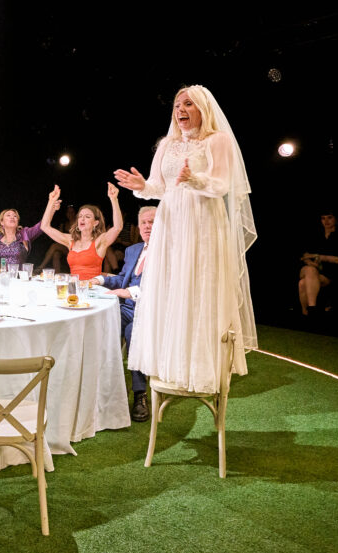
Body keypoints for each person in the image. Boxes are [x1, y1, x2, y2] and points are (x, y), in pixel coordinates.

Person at [115, 85, 257, 394]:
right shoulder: (167, 144)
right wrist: (142, 186)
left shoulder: (217, 140)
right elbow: (158, 186)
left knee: (198, 287)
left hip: (202, 222)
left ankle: (200, 367)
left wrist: (195, 179)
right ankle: (168, 363)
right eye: (178, 105)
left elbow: (222, 185)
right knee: (170, 287)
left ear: (203, 109)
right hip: (170, 223)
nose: (181, 109)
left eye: (189, 104)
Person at [91, 205, 157, 421]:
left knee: (132, 332)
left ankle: (140, 394)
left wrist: (128, 292)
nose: (147, 226)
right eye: (143, 222)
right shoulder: (133, 250)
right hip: (126, 308)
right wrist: (100, 279)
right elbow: (122, 279)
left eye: (152, 222)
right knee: (98, 323)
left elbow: (165, 288)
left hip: (151, 312)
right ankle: (100, 389)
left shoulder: (170, 252)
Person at [37, 183, 123, 280]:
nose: (82, 219)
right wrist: (51, 201)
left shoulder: (100, 241)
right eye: (80, 216)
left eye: (87, 217)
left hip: (93, 287)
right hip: (74, 286)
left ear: (95, 223)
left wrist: (114, 199)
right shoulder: (71, 240)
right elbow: (44, 227)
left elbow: (117, 227)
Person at [298, 212, 338, 319]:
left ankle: (305, 313)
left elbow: (337, 259)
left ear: (336, 219)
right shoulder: (315, 235)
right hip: (309, 268)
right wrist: (310, 261)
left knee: (302, 283)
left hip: (328, 273)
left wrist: (316, 256)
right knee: (310, 269)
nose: (326, 221)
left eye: (329, 218)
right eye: (323, 218)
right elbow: (303, 256)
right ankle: (312, 309)